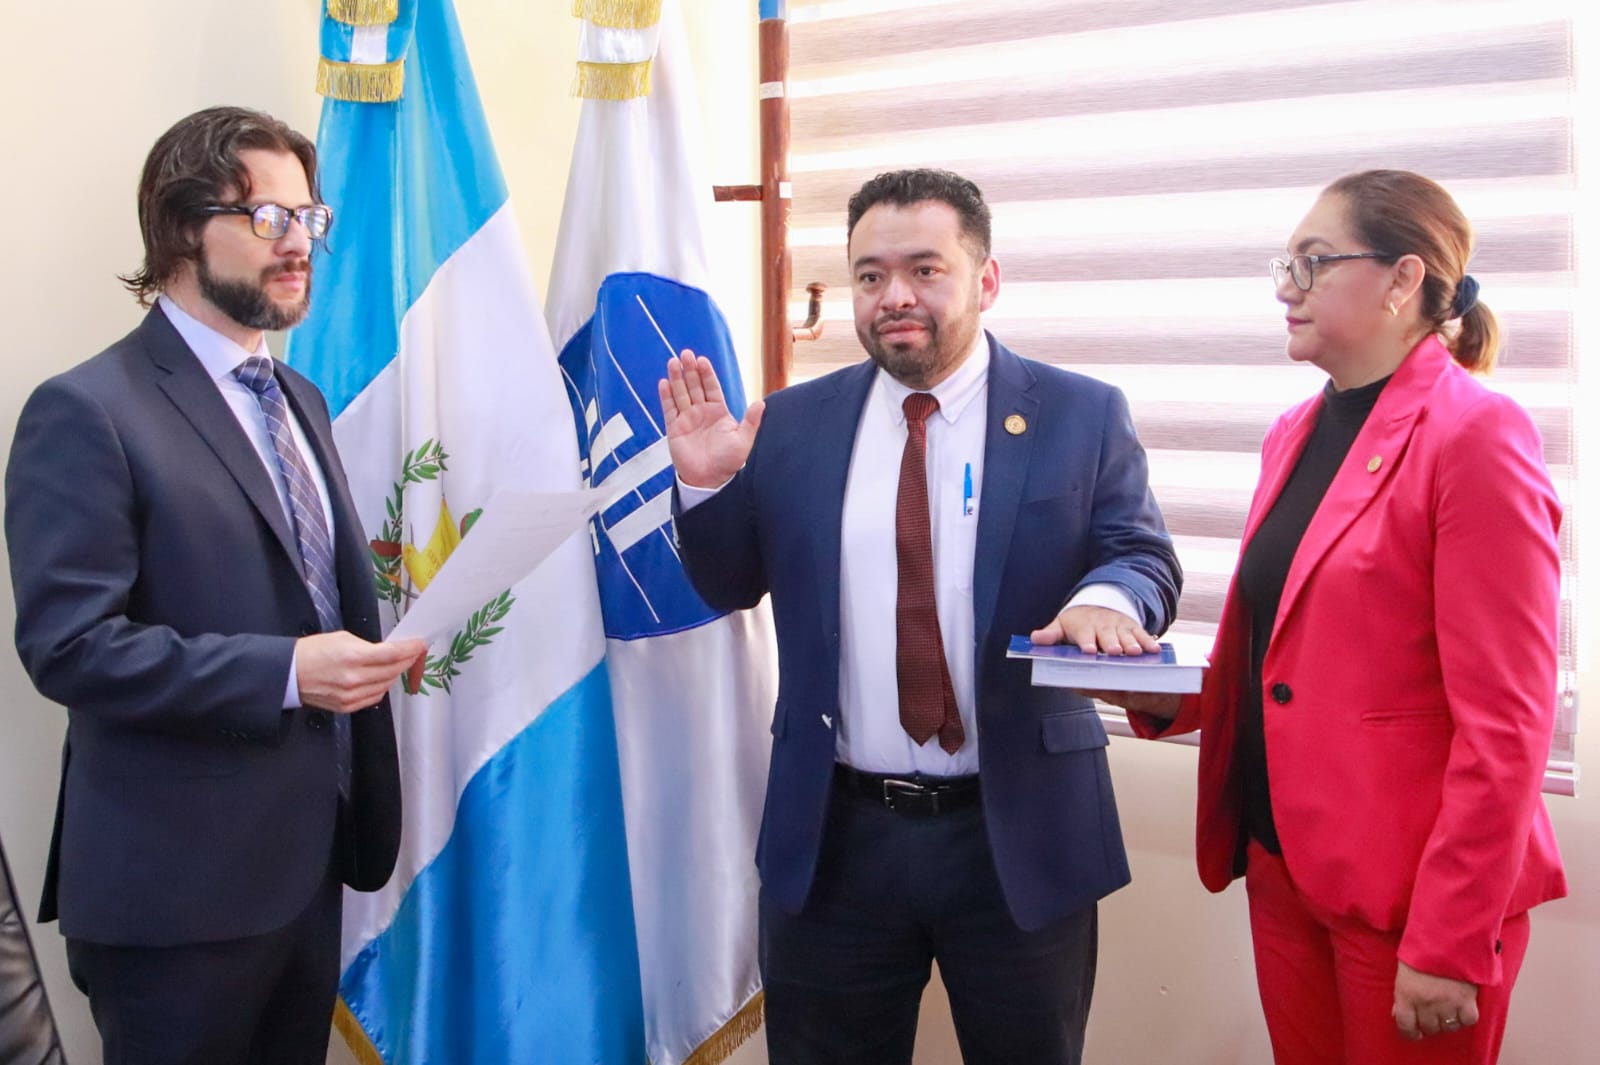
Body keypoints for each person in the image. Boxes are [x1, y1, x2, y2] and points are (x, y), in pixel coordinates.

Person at [660, 168, 1181, 1064]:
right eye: (870, 275)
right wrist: (706, 486)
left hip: (1017, 831)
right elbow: (729, 584)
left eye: (924, 269)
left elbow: (1142, 555)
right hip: (836, 839)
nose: (894, 295)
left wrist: (1103, 601)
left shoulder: (1079, 413)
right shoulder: (791, 422)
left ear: (986, 279)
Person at [1095, 169, 1567, 1064]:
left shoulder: (1476, 433)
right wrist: (1155, 688)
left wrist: (1450, 934)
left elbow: (1509, 721)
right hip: (1287, 868)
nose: (1287, 287)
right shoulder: (1294, 432)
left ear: (1402, 279)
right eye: (1286, 264)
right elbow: (1291, 660)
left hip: (1412, 899)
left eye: (1312, 262)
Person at [4, 106, 425, 1065]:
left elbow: (300, 591)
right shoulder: (86, 411)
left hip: (307, 871)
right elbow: (70, 647)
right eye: (268, 217)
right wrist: (289, 672)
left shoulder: (300, 398)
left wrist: (365, 656)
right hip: (174, 898)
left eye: (308, 218)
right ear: (182, 230)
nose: (299, 244)